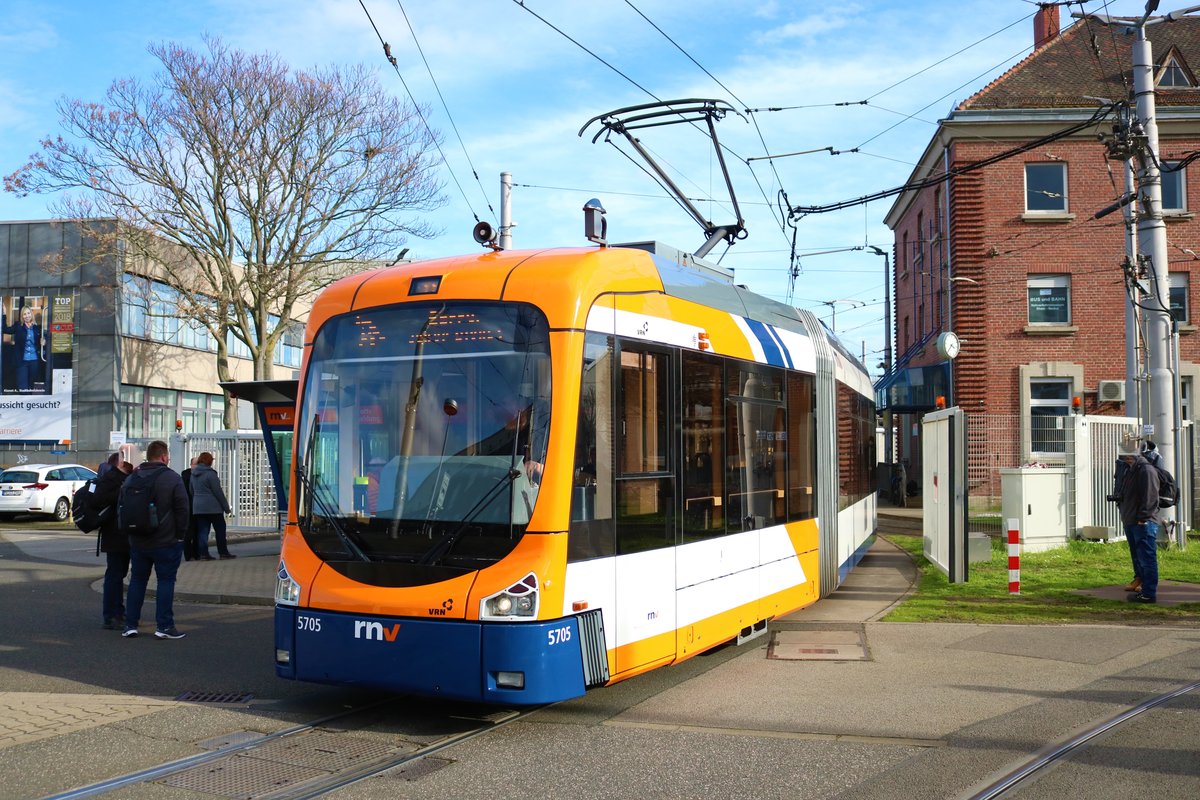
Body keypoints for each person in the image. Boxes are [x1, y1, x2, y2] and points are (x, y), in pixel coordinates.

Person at [122, 440, 190, 639]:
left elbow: (122, 507)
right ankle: (164, 626)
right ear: (163, 456)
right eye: (167, 455)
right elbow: (183, 509)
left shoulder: (132, 477)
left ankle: (130, 624)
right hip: (166, 540)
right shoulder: (171, 478)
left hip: (138, 540)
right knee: (166, 581)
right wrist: (180, 535)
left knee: (137, 581)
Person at [1116, 435, 1160, 604]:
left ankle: (1149, 593)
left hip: (1142, 522)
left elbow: (1150, 497)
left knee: (1147, 558)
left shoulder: (1145, 470)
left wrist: (1143, 518)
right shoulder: (1133, 469)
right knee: (1140, 557)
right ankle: (1144, 588)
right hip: (1133, 520)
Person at [95, 460, 133, 629]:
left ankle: (117, 612)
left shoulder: (114, 478)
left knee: (117, 574)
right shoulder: (113, 479)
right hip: (116, 534)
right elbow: (100, 500)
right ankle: (111, 615)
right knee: (115, 575)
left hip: (117, 534)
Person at [191, 451, 234, 560]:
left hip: (198, 507)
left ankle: (203, 554)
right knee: (220, 529)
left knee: (202, 531)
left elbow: (191, 490)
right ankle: (223, 552)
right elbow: (218, 492)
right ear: (209, 461)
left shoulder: (193, 474)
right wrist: (226, 507)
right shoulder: (211, 474)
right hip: (213, 507)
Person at [8, 305, 44, 392]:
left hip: (34, 361)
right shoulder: (18, 326)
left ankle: (28, 404)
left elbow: (43, 340)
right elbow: (5, 329)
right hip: (22, 361)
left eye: (28, 313)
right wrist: (4, 313)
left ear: (31, 314)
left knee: (31, 387)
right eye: (24, 314)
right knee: (23, 388)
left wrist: (44, 342)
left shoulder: (37, 328)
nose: (27, 316)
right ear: (22, 316)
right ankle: (23, 404)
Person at [180, 456, 200, 561]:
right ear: (191, 465)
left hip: (198, 507)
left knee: (198, 532)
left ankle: (197, 553)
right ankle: (188, 555)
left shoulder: (202, 475)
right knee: (188, 533)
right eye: (195, 464)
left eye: (198, 464)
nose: (196, 466)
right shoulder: (185, 476)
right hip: (188, 507)